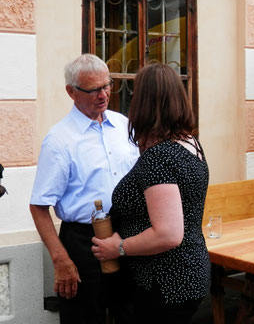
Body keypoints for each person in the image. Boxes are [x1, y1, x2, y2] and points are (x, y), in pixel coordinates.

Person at [92, 63, 211, 324]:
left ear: (143, 104)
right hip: (187, 273)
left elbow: (168, 234)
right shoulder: (191, 144)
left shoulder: (159, 158)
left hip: (164, 281)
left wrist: (118, 248)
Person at [29, 53, 139, 324]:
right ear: (71, 92)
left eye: (107, 86)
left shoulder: (123, 126)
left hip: (128, 236)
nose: (103, 95)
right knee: (84, 318)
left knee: (132, 314)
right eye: (93, 90)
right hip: (83, 241)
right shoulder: (59, 140)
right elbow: (39, 206)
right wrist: (60, 259)